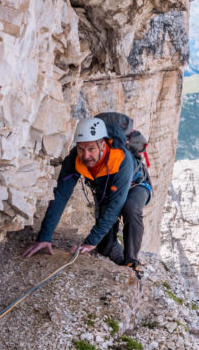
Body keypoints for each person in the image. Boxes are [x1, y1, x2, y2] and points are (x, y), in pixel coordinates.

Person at [21, 117, 149, 277]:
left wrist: (89, 242)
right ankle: (118, 258)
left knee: (130, 208)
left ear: (103, 145)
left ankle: (131, 262)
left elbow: (116, 206)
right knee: (104, 247)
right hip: (107, 192)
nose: (85, 155)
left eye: (91, 149)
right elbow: (60, 195)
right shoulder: (75, 159)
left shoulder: (121, 159)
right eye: (81, 149)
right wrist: (45, 236)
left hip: (136, 186)